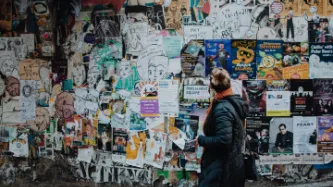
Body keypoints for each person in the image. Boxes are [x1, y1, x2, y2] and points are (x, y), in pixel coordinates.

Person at [196, 68, 248, 187]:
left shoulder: (223, 108)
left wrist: (201, 140)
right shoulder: (230, 102)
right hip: (228, 164)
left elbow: (224, 140)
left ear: (212, 87)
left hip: (221, 168)